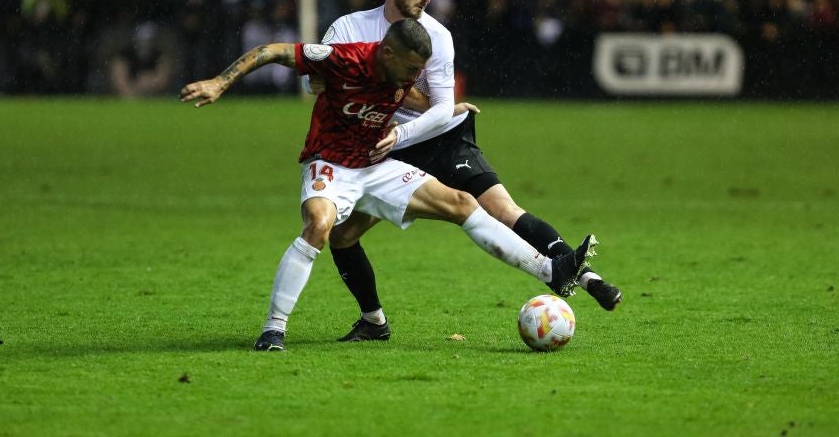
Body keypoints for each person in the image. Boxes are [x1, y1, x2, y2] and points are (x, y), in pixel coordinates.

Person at [179, 18, 592, 351]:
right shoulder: (343, 59)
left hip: (377, 165)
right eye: (412, 68)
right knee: (320, 227)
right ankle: (274, 329)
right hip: (330, 164)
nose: (416, 76)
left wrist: (446, 109)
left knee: (462, 202)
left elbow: (414, 97)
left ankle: (550, 271)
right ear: (387, 52)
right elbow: (270, 51)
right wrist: (221, 82)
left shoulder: (400, 74)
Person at [319, 0, 621, 343]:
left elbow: (442, 110)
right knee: (341, 235)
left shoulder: (438, 37)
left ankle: (585, 277)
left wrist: (392, 114)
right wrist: (393, 99)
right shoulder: (349, 27)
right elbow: (316, 82)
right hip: (385, 149)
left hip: (439, 138)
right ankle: (374, 321)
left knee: (503, 209)